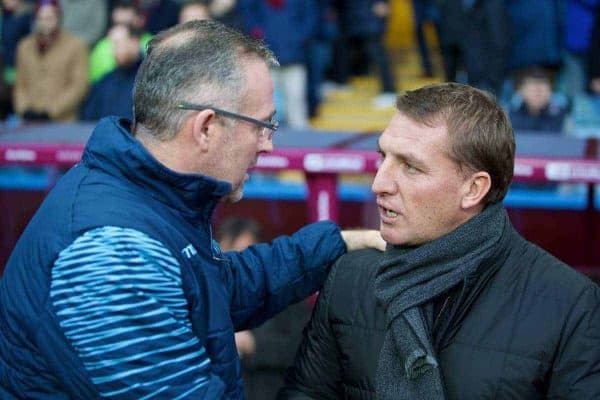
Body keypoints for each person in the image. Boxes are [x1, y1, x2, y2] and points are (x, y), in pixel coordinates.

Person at [0, 19, 384, 399]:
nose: (268, 145)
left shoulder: (145, 197)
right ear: (205, 127)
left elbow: (217, 288)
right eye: (262, 125)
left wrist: (340, 243)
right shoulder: (116, 255)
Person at [279, 83, 600, 399]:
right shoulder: (349, 277)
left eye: (410, 167)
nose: (379, 183)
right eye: (383, 157)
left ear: (473, 189)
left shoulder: (570, 305)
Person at [216, 217, 314, 400]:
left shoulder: (285, 295)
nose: (237, 264)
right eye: (228, 254)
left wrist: (253, 345)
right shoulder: (206, 298)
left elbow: (305, 350)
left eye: (244, 254)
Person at [13, 0, 89, 121]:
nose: (45, 23)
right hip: (29, 121)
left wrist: (50, 111)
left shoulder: (76, 46)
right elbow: (20, 84)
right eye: (41, 18)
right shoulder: (24, 47)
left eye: (49, 18)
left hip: (63, 122)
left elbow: (79, 86)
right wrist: (24, 109)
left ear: (59, 18)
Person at [81, 23, 143, 121]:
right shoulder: (105, 82)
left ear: (134, 42)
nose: (113, 50)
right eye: (111, 44)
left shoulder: (152, 77)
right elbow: (87, 118)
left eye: (117, 43)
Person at [508, 67, 568, 133]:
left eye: (543, 86)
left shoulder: (562, 117)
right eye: (532, 86)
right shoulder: (510, 117)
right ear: (520, 90)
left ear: (550, 91)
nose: (538, 92)